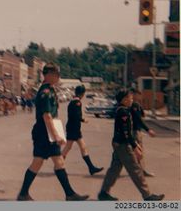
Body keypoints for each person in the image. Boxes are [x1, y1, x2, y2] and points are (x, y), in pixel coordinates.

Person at [17, 63, 89, 201]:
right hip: (45, 133)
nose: (58, 77)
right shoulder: (46, 92)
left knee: (45, 162)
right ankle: (69, 194)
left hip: (44, 132)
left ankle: (24, 193)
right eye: (56, 75)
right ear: (49, 75)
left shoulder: (49, 90)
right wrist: (56, 136)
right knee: (51, 162)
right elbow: (47, 116)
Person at [98, 89, 164, 201]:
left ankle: (104, 193)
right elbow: (126, 133)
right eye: (130, 97)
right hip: (123, 145)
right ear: (124, 99)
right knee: (135, 169)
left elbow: (127, 132)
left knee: (114, 169)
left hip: (118, 143)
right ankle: (147, 195)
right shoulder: (123, 112)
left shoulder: (122, 110)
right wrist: (135, 147)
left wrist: (135, 145)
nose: (132, 99)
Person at [61, 85, 104, 175]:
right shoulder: (77, 102)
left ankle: (91, 168)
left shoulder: (73, 101)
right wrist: (83, 119)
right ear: (82, 93)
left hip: (72, 128)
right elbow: (76, 116)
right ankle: (59, 166)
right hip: (74, 129)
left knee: (76, 147)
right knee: (71, 148)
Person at [130, 88, 156, 177]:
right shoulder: (134, 105)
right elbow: (139, 119)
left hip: (135, 130)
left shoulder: (136, 105)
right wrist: (148, 130)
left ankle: (138, 170)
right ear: (133, 94)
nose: (139, 96)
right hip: (135, 131)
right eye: (138, 94)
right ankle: (141, 171)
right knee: (138, 151)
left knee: (134, 151)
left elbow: (142, 114)